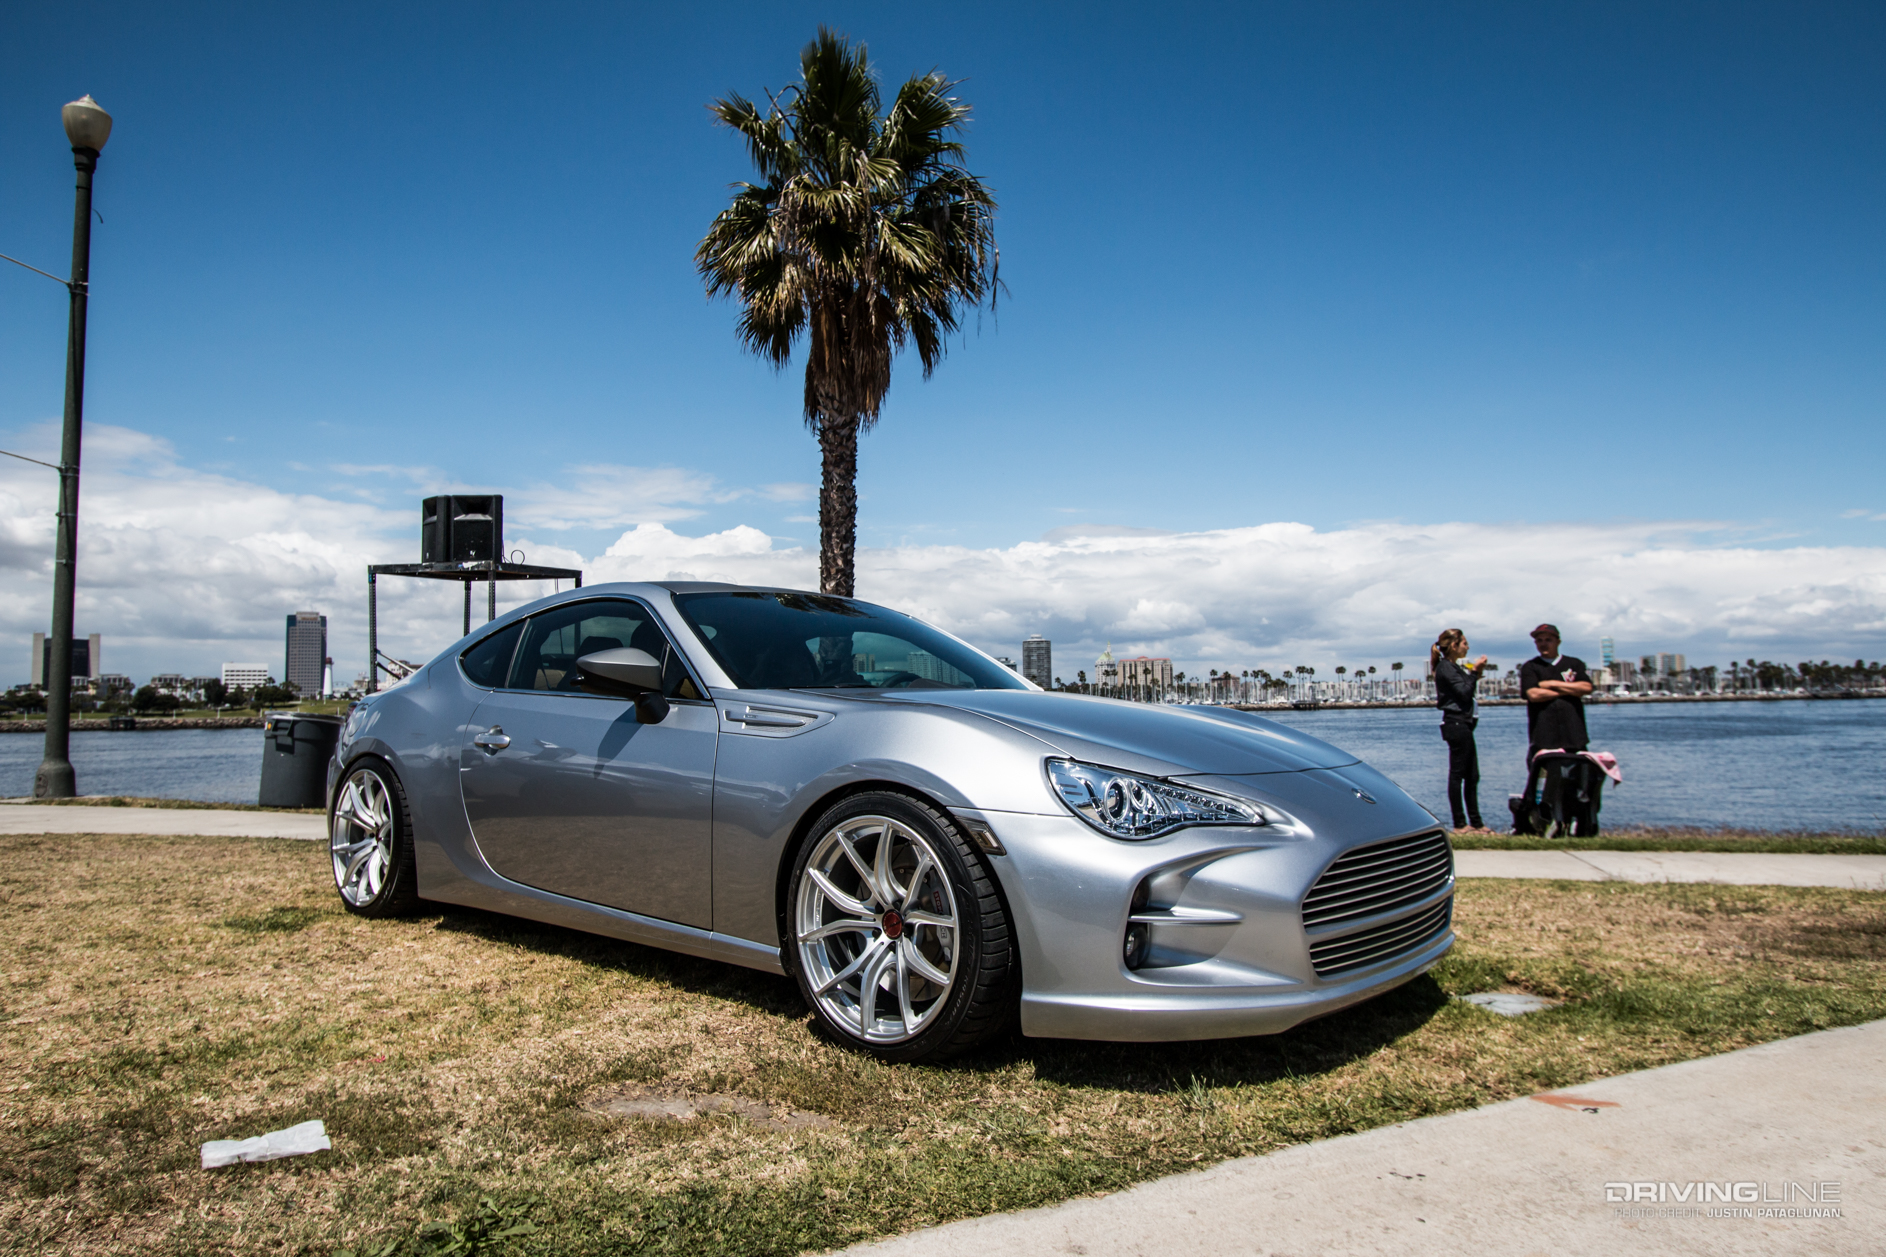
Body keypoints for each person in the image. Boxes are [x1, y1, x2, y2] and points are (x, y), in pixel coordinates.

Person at [1431, 628, 1489, 832]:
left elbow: (1465, 690)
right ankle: (1460, 824)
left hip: (1463, 724)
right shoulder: (1446, 668)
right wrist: (1475, 672)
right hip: (1456, 724)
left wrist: (1475, 673)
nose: (1468, 647)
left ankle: (1476, 823)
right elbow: (1464, 693)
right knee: (1458, 775)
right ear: (1454, 645)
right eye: (1465, 643)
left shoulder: (1453, 667)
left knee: (1472, 775)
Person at [1519, 624, 1593, 762]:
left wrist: (1551, 684)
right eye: (1539, 641)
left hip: (1575, 738)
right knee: (1544, 781)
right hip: (1543, 740)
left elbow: (1586, 688)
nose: (1543, 644)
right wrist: (1570, 690)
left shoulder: (1574, 664)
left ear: (1558, 642)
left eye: (1548, 640)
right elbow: (1534, 695)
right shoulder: (1530, 667)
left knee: (1578, 781)